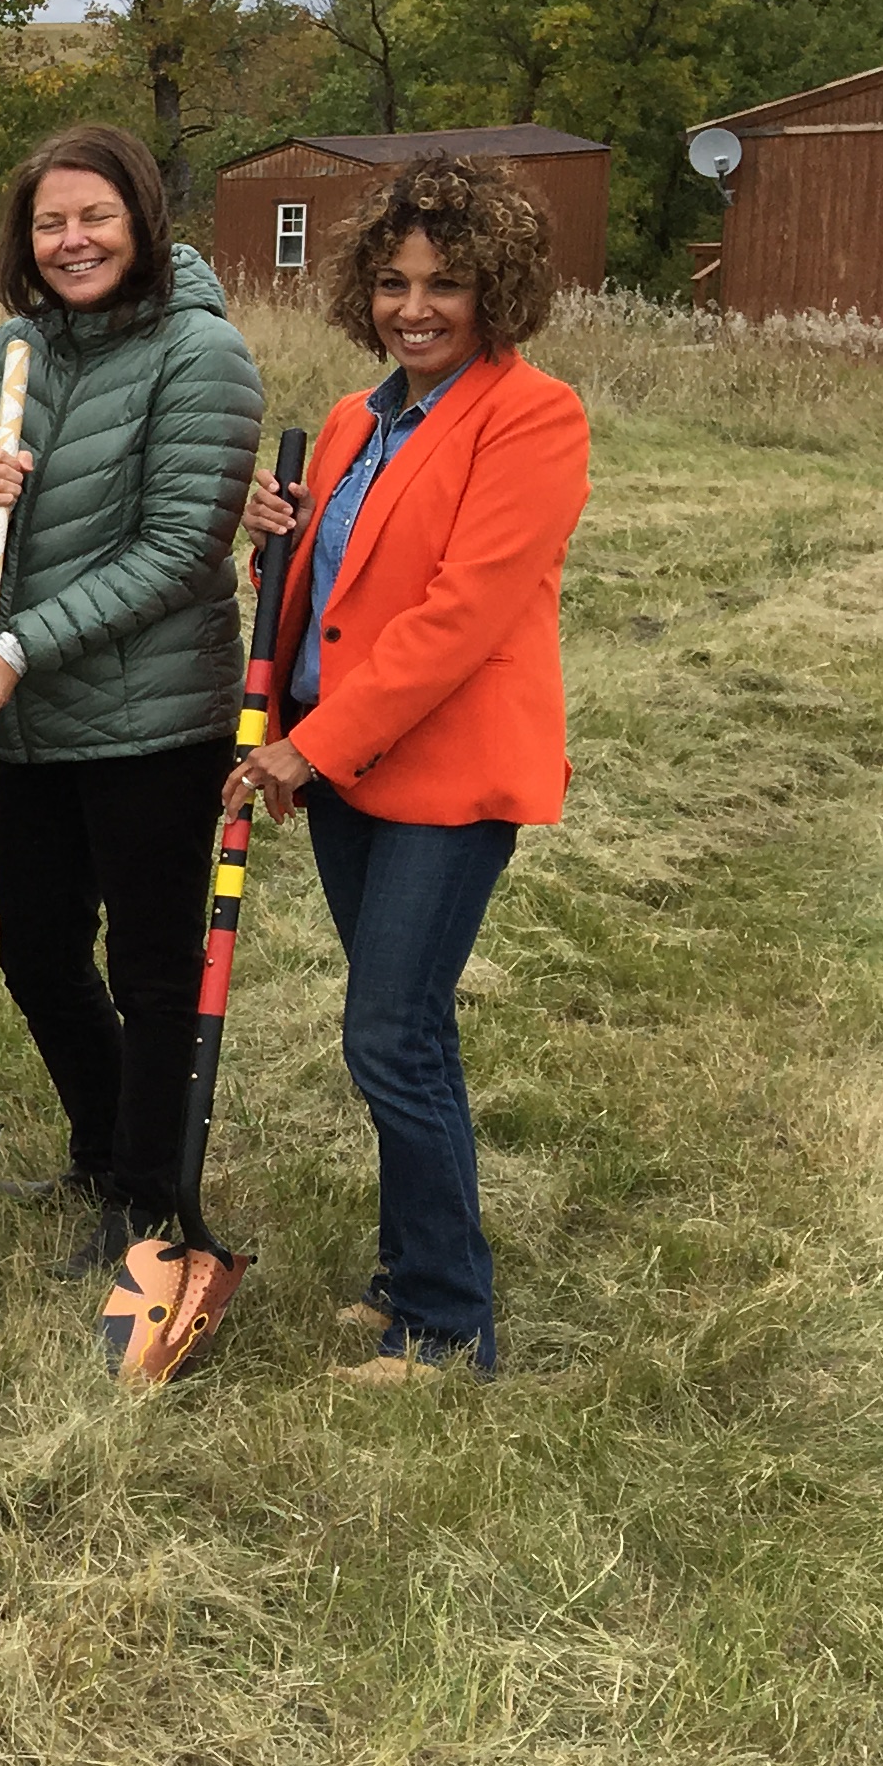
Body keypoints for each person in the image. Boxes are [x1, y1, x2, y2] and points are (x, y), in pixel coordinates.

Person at [231, 155, 590, 1384]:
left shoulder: (531, 417)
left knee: (391, 1035)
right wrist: (276, 550)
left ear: (500, 290)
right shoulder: (353, 419)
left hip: (445, 773)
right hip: (344, 769)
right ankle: (404, 1279)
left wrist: (307, 745)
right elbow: (332, 598)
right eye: (393, 281)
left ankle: (447, 1324)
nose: (416, 307)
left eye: (447, 283)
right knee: (403, 1029)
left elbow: (458, 618)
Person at [0, 126, 266, 1273]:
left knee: (155, 968)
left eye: (95, 218)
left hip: (156, 722)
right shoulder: (16, 349)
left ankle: (148, 1194)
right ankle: (108, 1143)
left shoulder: (202, 354)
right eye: (49, 223)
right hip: (35, 719)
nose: (71, 241)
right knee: (35, 954)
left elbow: (182, 548)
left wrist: (27, 641)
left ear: (141, 221)